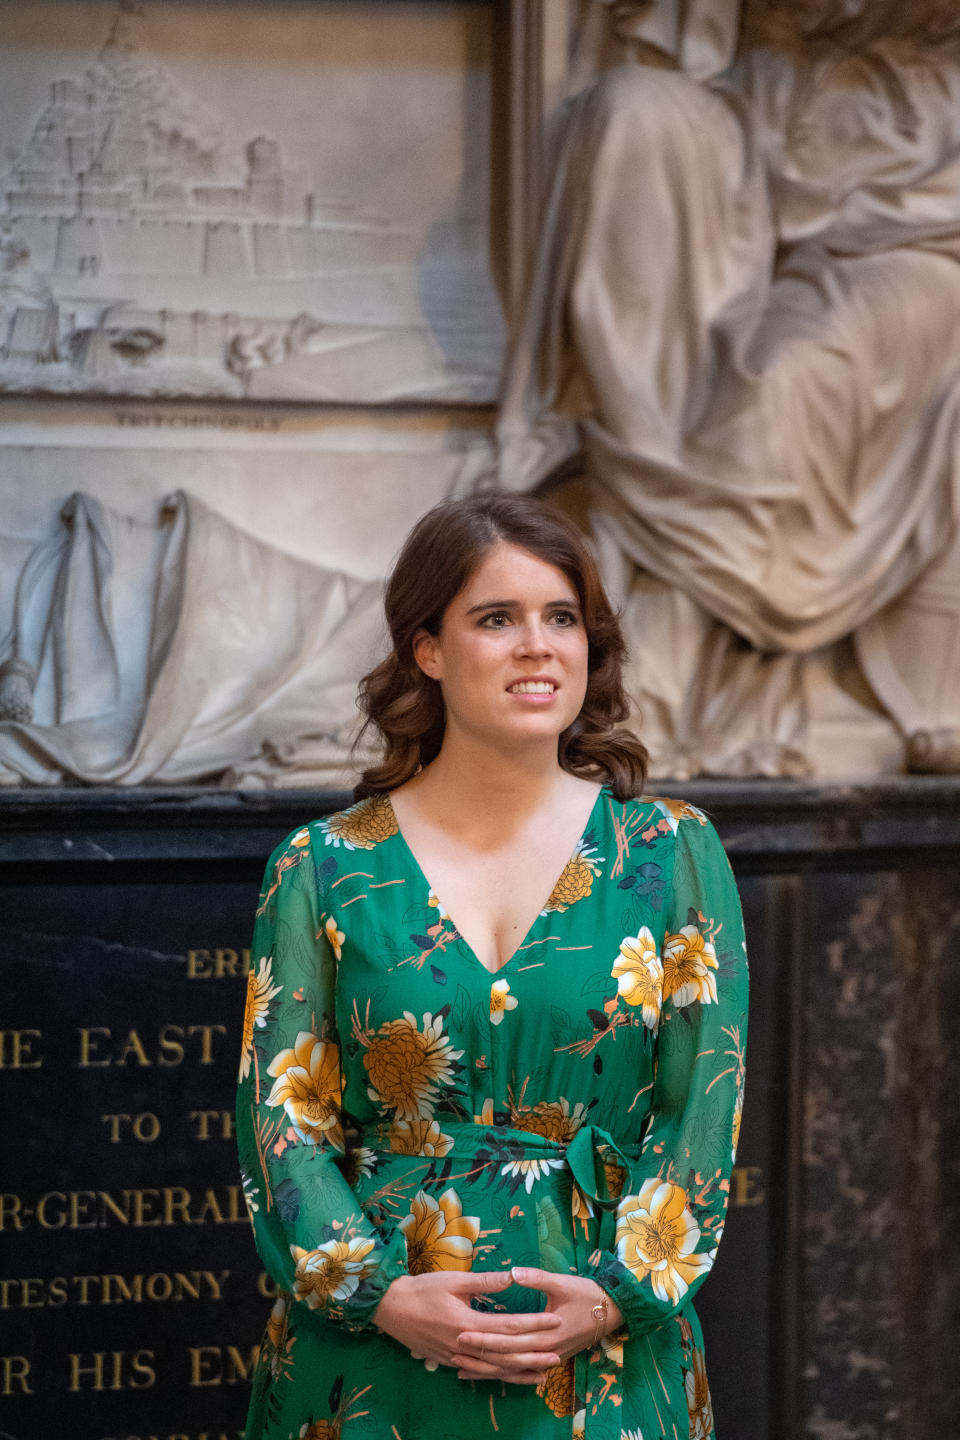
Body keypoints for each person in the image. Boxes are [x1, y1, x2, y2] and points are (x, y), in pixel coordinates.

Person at [235, 492, 749, 1440]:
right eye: (496, 619)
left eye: (562, 618)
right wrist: (379, 1294)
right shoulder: (323, 867)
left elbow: (699, 1114)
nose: (537, 645)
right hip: (373, 1358)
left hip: (603, 1347)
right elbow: (284, 1124)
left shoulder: (669, 853)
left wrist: (619, 1295)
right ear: (427, 649)